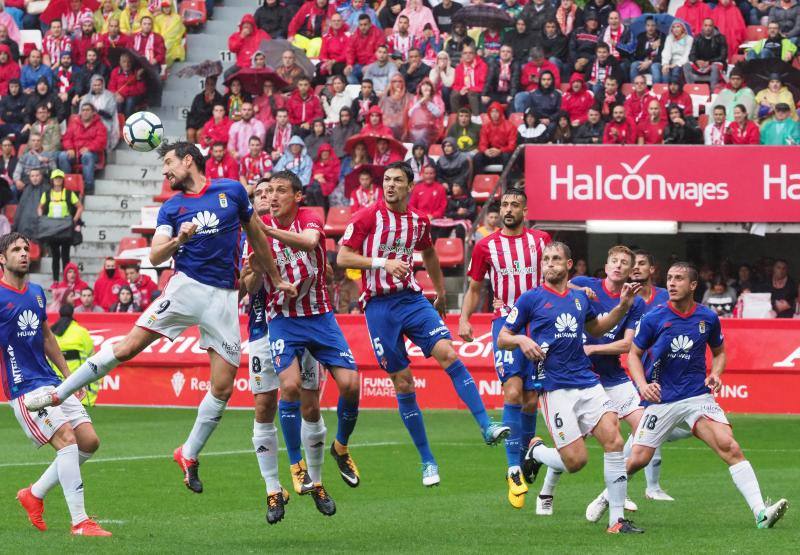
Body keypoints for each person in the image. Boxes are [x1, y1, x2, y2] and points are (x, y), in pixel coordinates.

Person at [24, 142, 297, 497]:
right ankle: (58, 396)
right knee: (127, 347)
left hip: (225, 298)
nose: (165, 171)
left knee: (224, 386)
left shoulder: (231, 191)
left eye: (168, 163)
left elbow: (257, 235)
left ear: (189, 160)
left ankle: (188, 453)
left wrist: (275, 278)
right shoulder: (172, 207)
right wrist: (179, 240)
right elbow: (154, 254)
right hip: (185, 289)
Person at [337, 162, 511, 486]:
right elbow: (343, 257)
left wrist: (441, 291)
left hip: (412, 299)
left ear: (409, 187)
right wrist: (382, 262)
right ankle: (427, 460)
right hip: (378, 307)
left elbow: (429, 253)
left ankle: (486, 425)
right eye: (386, 180)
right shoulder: (366, 217)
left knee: (449, 354)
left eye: (397, 181)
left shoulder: (418, 221)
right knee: (403, 383)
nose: (389, 186)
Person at [626, 261, 788, 529]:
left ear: (692, 285)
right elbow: (633, 354)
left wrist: (716, 373)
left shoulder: (707, 318)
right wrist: (642, 385)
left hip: (697, 398)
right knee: (637, 460)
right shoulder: (654, 317)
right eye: (669, 278)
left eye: (679, 278)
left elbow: (720, 352)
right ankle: (608, 494)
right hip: (661, 400)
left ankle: (761, 512)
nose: (672, 283)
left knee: (730, 446)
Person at [499, 241, 643, 533]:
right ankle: (536, 452)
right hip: (555, 388)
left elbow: (597, 329)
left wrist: (623, 307)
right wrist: (521, 340)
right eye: (545, 260)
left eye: (555, 259)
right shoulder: (530, 299)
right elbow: (503, 336)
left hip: (587, 381)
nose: (549, 264)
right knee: (576, 461)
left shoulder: (580, 299)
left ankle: (616, 521)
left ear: (568, 265)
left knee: (614, 442)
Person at [256, 171, 362, 514]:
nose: (273, 196)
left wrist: (267, 231)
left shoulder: (308, 218)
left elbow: (311, 242)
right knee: (289, 387)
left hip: (320, 317)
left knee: (350, 385)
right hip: (283, 320)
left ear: (297, 196)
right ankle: (296, 466)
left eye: (281, 190)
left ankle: (341, 448)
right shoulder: (255, 230)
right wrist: (249, 271)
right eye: (269, 190)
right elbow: (246, 278)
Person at [1, 233, 111, 537]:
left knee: (89, 441)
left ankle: (33, 494)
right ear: (2, 259)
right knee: (66, 440)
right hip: (24, 388)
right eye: (15, 250)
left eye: (26, 249)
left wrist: (69, 378)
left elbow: (48, 337)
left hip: (50, 381)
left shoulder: (36, 293)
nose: (24, 253)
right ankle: (80, 522)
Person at [460, 188, 551, 509]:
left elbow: (555, 276)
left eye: (515, 205)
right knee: (512, 393)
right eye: (504, 205)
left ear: (525, 209)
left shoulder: (541, 241)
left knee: (530, 400)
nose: (508, 209)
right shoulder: (486, 246)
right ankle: (513, 468)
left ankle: (528, 455)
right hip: (507, 325)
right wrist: (465, 318)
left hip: (540, 327)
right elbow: (474, 287)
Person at [578, 247, 679, 522]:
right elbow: (556, 287)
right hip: (583, 377)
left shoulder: (636, 302)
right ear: (607, 264)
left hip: (617, 375)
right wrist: (576, 291)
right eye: (616, 261)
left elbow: (628, 345)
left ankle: (613, 494)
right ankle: (544, 481)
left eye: (627, 263)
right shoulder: (585, 285)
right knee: (573, 452)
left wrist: (594, 350)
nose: (621, 266)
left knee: (648, 431)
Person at [239, 179, 317, 523]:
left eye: (272, 192)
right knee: (264, 403)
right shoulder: (247, 237)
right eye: (259, 194)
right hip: (263, 327)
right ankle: (273, 488)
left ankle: (309, 473)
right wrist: (255, 270)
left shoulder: (299, 228)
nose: (267, 198)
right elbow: (245, 287)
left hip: (306, 324)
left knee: (308, 400)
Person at [50, 302, 100, 406]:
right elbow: (91, 355)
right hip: (79, 384)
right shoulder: (81, 332)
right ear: (73, 314)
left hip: (56, 384)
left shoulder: (51, 333)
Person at [37, 169, 82, 282]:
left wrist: (74, 220)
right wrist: (41, 217)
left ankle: (66, 281)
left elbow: (80, 207)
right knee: (55, 256)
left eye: (60, 178)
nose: (58, 180)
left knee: (66, 255)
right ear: (52, 180)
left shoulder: (69, 193)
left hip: (65, 227)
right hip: (52, 227)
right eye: (56, 178)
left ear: (63, 180)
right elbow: (40, 207)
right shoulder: (46, 194)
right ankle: (56, 281)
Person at [60, 102, 107, 194]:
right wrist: (70, 148)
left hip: (92, 153)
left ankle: (89, 186)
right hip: (75, 152)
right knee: (62, 156)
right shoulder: (73, 124)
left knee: (87, 156)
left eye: (88, 110)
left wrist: (89, 148)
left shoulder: (100, 125)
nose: (85, 112)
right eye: (83, 110)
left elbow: (101, 141)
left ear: (93, 113)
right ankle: (68, 183)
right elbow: (66, 138)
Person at [683, 18, 727, 91]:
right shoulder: (697, 38)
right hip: (700, 64)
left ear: (713, 27)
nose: (708, 28)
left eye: (710, 26)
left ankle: (713, 91)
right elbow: (691, 55)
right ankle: (691, 89)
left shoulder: (721, 38)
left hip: (714, 64)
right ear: (702, 27)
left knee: (715, 67)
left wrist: (709, 62)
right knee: (686, 66)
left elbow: (723, 56)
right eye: (706, 25)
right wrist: (697, 61)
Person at [474, 102, 517, 174]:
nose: (494, 114)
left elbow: (512, 146)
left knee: (506, 155)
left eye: (497, 111)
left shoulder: (510, 126)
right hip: (490, 153)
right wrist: (485, 151)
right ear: (489, 113)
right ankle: (481, 180)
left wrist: (500, 150)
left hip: (503, 153)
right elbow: (482, 144)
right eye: (492, 111)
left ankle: (507, 181)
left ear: (501, 112)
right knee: (478, 157)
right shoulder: (485, 127)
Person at [345, 14, 386, 85]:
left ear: (370, 24)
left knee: (369, 74)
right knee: (349, 74)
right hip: (360, 64)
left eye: (365, 24)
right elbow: (350, 51)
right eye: (361, 25)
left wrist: (369, 65)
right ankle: (359, 92)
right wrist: (349, 64)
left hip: (375, 64)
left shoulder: (378, 33)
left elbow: (379, 53)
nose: (363, 27)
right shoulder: (355, 35)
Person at [82, 75, 119, 150]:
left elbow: (110, 115)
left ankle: (101, 151)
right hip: (89, 121)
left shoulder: (109, 96)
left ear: (103, 85)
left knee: (101, 129)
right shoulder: (87, 97)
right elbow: (82, 113)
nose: (97, 87)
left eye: (99, 85)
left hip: (105, 121)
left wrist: (97, 111)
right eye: (95, 85)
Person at [450, 45, 488, 116]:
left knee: (472, 93)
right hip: (464, 92)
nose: (468, 55)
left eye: (470, 53)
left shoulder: (482, 66)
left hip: (477, 92)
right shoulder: (459, 67)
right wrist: (461, 90)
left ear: (474, 55)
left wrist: (470, 89)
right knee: (454, 95)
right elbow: (455, 84)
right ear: (462, 56)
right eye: (465, 53)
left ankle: (476, 117)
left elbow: (483, 83)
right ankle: (456, 117)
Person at [186, 74, 223, 144]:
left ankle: (200, 154)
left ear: (215, 85)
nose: (209, 86)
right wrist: (190, 126)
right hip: (196, 122)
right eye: (207, 83)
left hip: (209, 123)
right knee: (190, 132)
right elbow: (192, 113)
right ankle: (191, 152)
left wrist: (211, 103)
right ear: (205, 84)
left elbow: (215, 114)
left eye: (211, 84)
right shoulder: (198, 97)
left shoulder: (219, 98)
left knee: (199, 133)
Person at [108, 52, 146, 117]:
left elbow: (141, 90)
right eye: (124, 62)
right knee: (118, 103)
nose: (126, 64)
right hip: (119, 95)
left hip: (132, 96)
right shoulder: (115, 71)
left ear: (132, 63)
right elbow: (111, 87)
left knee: (130, 102)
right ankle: (118, 122)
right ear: (120, 63)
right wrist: (117, 95)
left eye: (129, 62)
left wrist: (139, 78)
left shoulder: (136, 72)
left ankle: (127, 121)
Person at [630, 16, 665, 83]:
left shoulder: (662, 37)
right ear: (645, 26)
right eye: (648, 25)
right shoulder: (641, 36)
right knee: (634, 65)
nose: (650, 28)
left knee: (654, 67)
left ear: (656, 26)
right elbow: (638, 55)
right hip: (643, 62)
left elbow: (663, 56)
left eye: (653, 25)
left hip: (655, 63)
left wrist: (650, 62)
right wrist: (651, 48)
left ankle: (656, 91)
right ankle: (633, 88)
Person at [379, 73, 412, 139]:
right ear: (391, 84)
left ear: (403, 83)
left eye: (400, 81)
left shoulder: (410, 97)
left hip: (404, 129)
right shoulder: (384, 100)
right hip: (387, 131)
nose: (397, 83)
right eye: (394, 81)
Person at [154, 0, 186, 65]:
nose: (166, 9)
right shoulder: (158, 18)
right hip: (160, 39)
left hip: (172, 40)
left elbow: (177, 31)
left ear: (171, 7)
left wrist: (165, 38)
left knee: (166, 47)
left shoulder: (177, 17)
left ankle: (163, 64)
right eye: (164, 7)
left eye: (168, 7)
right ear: (162, 8)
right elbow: (156, 30)